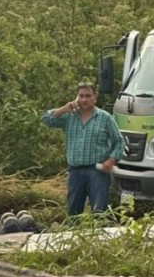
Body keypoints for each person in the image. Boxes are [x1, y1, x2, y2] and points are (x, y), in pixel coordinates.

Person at [42, 82, 126, 216]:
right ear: (76, 98)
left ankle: (98, 235)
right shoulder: (69, 117)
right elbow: (46, 119)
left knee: (99, 212)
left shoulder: (105, 118)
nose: (84, 99)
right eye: (81, 96)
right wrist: (64, 108)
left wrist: (111, 160)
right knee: (73, 212)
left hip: (97, 171)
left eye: (88, 96)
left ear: (95, 98)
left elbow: (119, 141)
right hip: (75, 171)